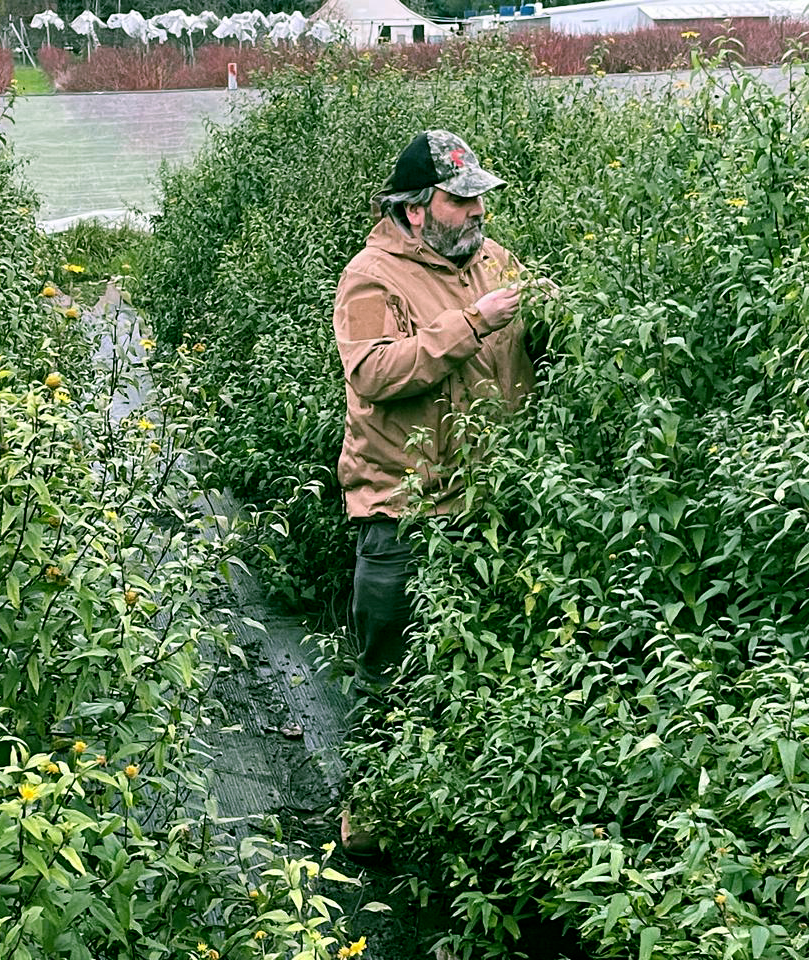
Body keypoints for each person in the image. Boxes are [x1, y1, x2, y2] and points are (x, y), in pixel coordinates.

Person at [332, 130, 538, 856]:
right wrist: (475, 323)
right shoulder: (371, 278)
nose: (477, 210)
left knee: (480, 662)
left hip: (489, 503)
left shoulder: (496, 262)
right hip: (404, 505)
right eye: (461, 199)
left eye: (480, 197)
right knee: (389, 666)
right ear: (418, 211)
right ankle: (374, 821)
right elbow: (378, 374)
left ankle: (464, 812)